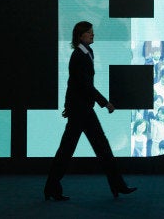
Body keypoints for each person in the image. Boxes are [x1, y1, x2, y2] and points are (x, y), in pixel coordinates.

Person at [44, 21, 136, 201]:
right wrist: (105, 102)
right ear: (80, 36)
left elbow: (75, 85)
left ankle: (117, 186)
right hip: (81, 111)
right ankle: (117, 186)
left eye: (92, 32)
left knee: (86, 148)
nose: (93, 35)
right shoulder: (78, 56)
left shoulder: (87, 53)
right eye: (89, 33)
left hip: (82, 110)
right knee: (83, 149)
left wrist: (67, 106)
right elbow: (83, 86)